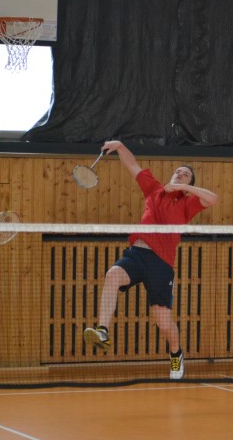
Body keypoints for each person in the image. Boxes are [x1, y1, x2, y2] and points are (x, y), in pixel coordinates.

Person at [84, 140, 218, 379]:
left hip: (161, 264)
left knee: (163, 322)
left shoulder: (187, 204)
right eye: (178, 171)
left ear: (189, 184)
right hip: (137, 254)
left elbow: (213, 199)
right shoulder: (154, 189)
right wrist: (120, 146)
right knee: (113, 275)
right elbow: (132, 165)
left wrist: (184, 188)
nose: (180, 173)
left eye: (186, 175)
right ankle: (102, 331)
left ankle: (176, 353)